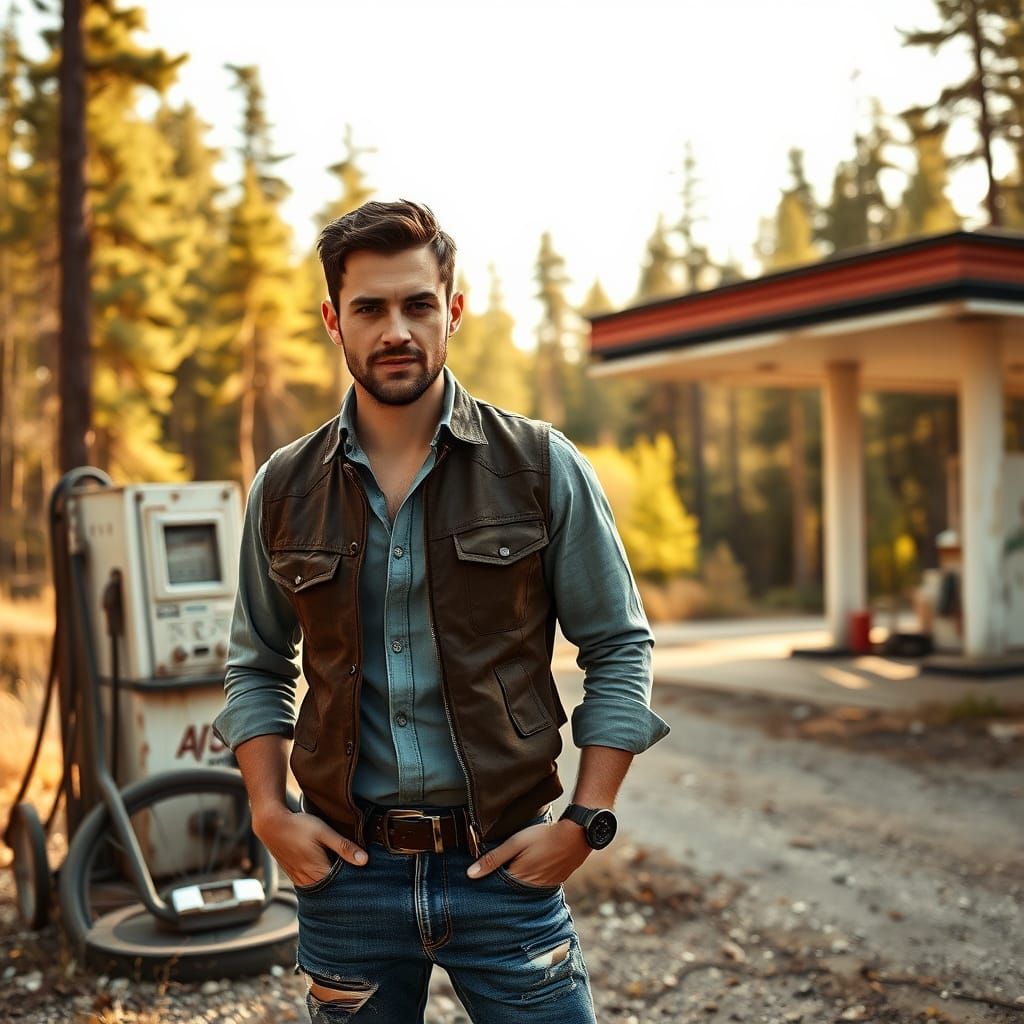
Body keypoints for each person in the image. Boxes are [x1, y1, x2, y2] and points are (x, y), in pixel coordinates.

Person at [212, 199, 669, 1023]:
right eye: (370, 308)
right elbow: (256, 660)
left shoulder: (538, 465)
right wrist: (269, 811)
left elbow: (619, 646)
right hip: (347, 877)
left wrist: (586, 821)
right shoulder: (284, 487)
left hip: (505, 865)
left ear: (451, 310)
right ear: (332, 319)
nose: (397, 329)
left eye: (418, 304)